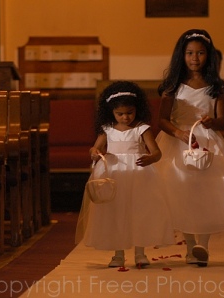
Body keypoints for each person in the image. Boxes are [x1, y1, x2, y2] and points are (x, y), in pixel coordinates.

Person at [155, 29, 224, 267]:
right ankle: (191, 246)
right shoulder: (173, 85)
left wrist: (213, 122)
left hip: (207, 141)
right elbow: (161, 119)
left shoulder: (216, 86)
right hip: (179, 140)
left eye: (201, 53)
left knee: (208, 192)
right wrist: (179, 132)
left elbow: (223, 121)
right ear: (181, 55)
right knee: (183, 193)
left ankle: (202, 245)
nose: (195, 58)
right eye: (190, 53)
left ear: (209, 55)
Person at [75, 80, 175, 268]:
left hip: (139, 173)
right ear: (111, 112)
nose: (125, 117)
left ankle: (140, 253)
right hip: (114, 173)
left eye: (130, 113)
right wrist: (95, 153)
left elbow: (157, 152)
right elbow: (95, 148)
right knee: (115, 212)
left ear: (137, 109)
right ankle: (118, 254)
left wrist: (150, 159)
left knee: (139, 211)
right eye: (119, 114)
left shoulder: (142, 128)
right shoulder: (106, 129)